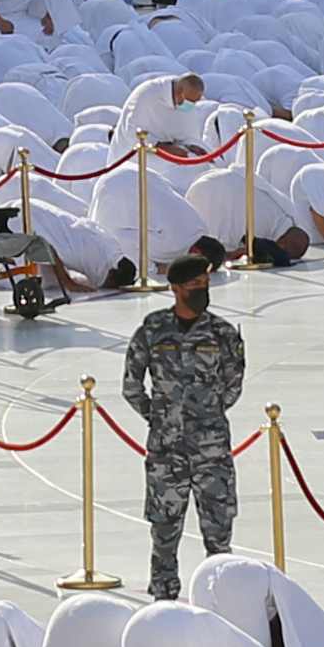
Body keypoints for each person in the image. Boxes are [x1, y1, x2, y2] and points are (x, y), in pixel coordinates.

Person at [121, 257, 246, 601]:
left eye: (204, 284)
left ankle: (221, 598)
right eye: (193, 286)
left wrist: (205, 414)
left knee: (218, 532)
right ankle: (164, 598)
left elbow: (233, 385)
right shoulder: (153, 329)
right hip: (166, 450)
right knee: (164, 530)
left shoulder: (222, 333)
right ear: (175, 289)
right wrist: (159, 416)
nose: (201, 290)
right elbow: (131, 385)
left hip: (212, 450)